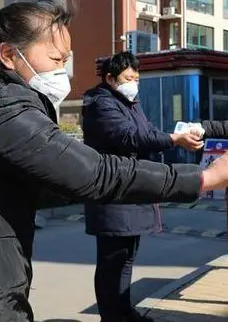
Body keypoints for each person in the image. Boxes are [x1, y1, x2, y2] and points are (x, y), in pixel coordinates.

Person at [0, 0, 228, 322]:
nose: (63, 73)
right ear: (8, 54)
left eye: (66, 60)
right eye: (55, 61)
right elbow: (93, 173)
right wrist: (202, 178)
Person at [81, 52, 206, 321]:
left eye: (137, 78)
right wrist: (174, 139)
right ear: (110, 78)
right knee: (112, 261)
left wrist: (174, 136)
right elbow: (130, 137)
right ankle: (111, 316)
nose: (134, 83)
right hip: (112, 193)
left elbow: (146, 133)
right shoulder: (100, 103)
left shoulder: (130, 102)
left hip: (130, 191)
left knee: (126, 257)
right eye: (128, 78)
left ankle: (123, 311)